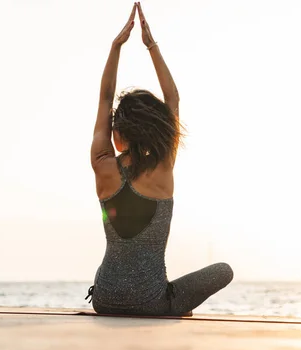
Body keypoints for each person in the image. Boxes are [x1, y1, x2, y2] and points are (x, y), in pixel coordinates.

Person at [86, 2, 233, 316]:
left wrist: (116, 47)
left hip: (105, 300)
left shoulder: (102, 164)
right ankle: (172, 306)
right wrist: (151, 45)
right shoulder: (163, 166)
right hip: (151, 303)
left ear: (119, 132)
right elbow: (173, 99)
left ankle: (164, 302)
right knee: (223, 270)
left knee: (121, 269)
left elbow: (104, 98)